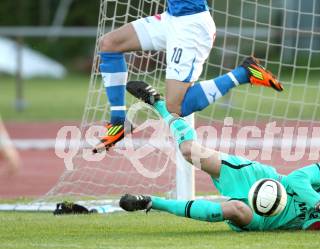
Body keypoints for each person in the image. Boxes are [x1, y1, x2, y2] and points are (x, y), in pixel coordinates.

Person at [118, 84, 320, 232]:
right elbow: (298, 178)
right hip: (262, 179)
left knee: (232, 210)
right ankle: (161, 106)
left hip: (268, 219)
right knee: (191, 152)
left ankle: (151, 202)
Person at [93, 0, 283, 153]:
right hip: (172, 18)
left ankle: (244, 73)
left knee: (176, 106)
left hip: (191, 27)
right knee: (110, 43)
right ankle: (119, 121)